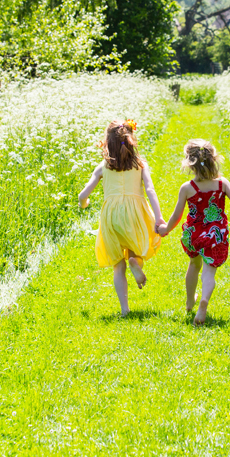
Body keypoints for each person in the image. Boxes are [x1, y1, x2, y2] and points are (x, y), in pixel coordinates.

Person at [158, 139, 230, 325]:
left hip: (195, 235)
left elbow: (176, 215)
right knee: (209, 272)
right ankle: (204, 299)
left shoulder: (187, 188)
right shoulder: (222, 184)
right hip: (216, 234)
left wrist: (165, 229)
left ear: (190, 164)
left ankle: (190, 302)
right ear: (213, 160)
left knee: (194, 265)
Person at [79, 120, 165, 317]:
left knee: (118, 265)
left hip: (111, 216)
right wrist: (158, 217)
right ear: (131, 140)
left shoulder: (103, 167)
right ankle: (136, 263)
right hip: (135, 214)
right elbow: (150, 190)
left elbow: (83, 195)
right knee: (138, 251)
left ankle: (125, 310)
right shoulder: (140, 165)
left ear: (107, 142)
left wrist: (84, 204)